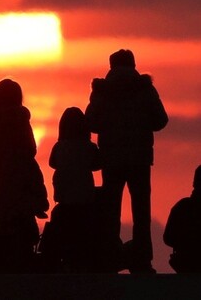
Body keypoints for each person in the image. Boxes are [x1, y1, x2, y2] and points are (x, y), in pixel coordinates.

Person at [85, 49, 168, 273]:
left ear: (111, 65)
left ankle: (109, 258)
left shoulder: (102, 90)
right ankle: (142, 259)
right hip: (140, 159)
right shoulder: (144, 88)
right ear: (133, 64)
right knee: (141, 212)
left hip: (111, 159)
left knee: (111, 211)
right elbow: (161, 120)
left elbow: (90, 122)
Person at [0, 79, 49, 274]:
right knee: (20, 255)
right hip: (19, 193)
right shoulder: (20, 122)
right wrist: (38, 198)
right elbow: (30, 152)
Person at [47, 107, 102, 272]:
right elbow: (97, 164)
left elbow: (52, 163)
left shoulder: (59, 146)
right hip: (85, 201)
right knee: (83, 240)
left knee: (64, 240)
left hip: (64, 202)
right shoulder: (89, 147)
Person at [163, 165, 201, 273]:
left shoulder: (182, 206)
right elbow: (168, 238)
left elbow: (167, 238)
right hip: (187, 261)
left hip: (184, 262)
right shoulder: (183, 206)